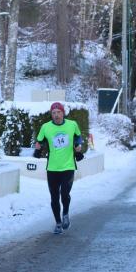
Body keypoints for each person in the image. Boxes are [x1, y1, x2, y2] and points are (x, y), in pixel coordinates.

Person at [33, 101, 84, 235]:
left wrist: (78, 145)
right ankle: (58, 223)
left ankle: (65, 213)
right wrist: (38, 147)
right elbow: (40, 140)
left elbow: (78, 136)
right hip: (52, 168)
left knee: (64, 194)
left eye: (59, 112)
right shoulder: (45, 127)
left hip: (68, 166)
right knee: (54, 197)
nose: (56, 115)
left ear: (63, 113)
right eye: (54, 113)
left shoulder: (72, 125)